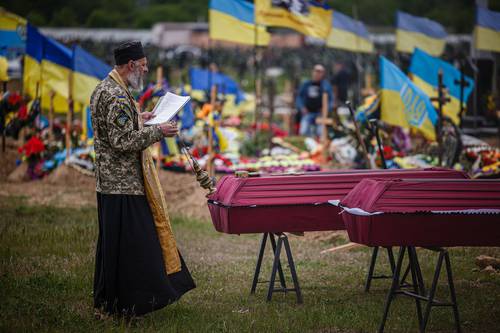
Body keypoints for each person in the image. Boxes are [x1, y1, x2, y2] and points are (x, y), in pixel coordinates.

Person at [90, 41, 195, 317]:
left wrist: (140, 118)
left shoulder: (105, 87)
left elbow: (115, 126)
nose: (146, 70)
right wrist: (158, 131)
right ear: (131, 65)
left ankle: (111, 300)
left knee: (115, 246)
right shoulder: (116, 95)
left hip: (110, 183)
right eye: (143, 66)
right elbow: (121, 141)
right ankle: (132, 302)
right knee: (135, 247)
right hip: (123, 183)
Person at [295, 64, 334, 137]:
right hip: (308, 113)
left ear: (323, 74)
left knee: (320, 133)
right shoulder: (306, 84)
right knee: (303, 131)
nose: (317, 74)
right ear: (312, 72)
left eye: (320, 72)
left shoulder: (326, 85)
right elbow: (299, 97)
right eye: (316, 71)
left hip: (320, 114)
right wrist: (302, 107)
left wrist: (326, 109)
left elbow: (331, 100)